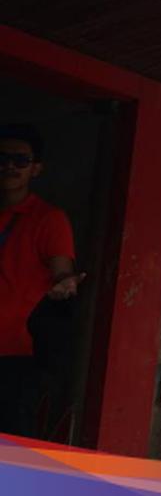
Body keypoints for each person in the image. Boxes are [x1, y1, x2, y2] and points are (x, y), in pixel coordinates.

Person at [0, 124, 81, 437]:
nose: (10, 166)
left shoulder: (48, 218)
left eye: (20, 160)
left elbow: (62, 268)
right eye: (3, 158)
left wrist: (65, 283)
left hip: (17, 354)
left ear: (36, 169)